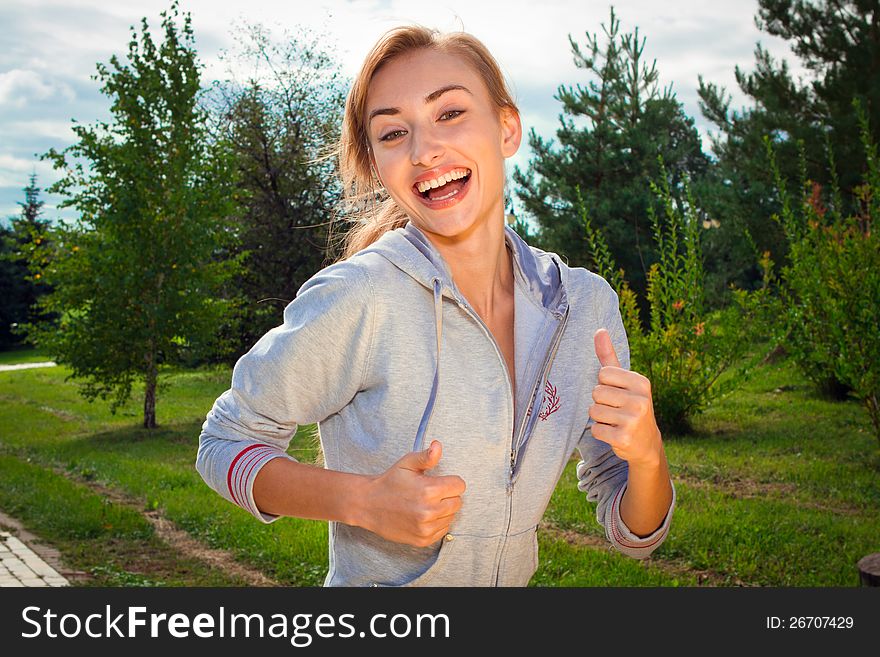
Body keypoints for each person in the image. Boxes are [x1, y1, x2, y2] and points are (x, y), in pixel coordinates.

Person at [196, 25, 676, 587]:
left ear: (507, 127)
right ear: (377, 166)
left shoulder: (583, 306)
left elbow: (637, 532)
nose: (425, 151)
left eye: (449, 113)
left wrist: (646, 455)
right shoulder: (360, 296)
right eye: (394, 133)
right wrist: (365, 502)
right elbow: (224, 441)